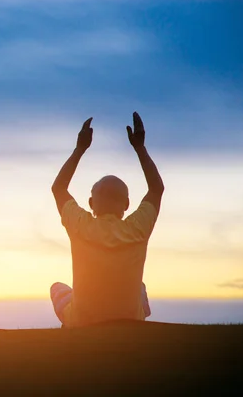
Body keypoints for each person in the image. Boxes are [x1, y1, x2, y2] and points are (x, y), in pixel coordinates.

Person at [50, 112, 164, 328]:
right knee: (139, 287)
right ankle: (138, 318)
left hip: (82, 322)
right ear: (127, 204)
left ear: (92, 203)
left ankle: (69, 332)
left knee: (57, 288)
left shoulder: (80, 224)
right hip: (130, 322)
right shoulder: (138, 227)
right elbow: (157, 188)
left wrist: (79, 149)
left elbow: (58, 188)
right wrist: (140, 148)